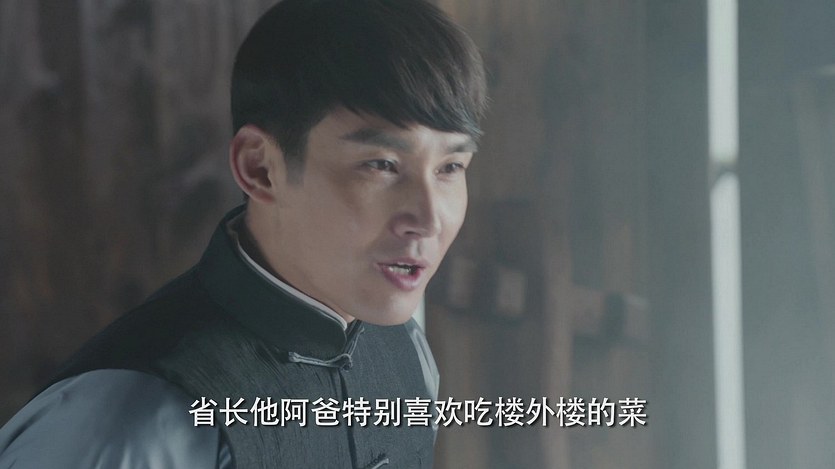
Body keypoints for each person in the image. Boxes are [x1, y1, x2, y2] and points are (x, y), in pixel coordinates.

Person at [0, 0, 487, 467]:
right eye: (381, 164)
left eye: (450, 167)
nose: (429, 218)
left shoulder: (406, 351)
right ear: (261, 169)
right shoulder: (132, 419)